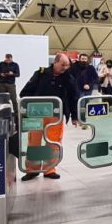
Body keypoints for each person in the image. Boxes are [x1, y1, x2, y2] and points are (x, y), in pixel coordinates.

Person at [19, 53, 79, 181]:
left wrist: (75, 116)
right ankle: (32, 170)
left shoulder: (68, 78)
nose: (65, 68)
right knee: (34, 142)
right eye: (63, 65)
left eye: (67, 65)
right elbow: (25, 92)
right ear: (55, 62)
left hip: (55, 115)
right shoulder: (40, 74)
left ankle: (49, 169)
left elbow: (74, 97)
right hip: (37, 114)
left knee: (53, 143)